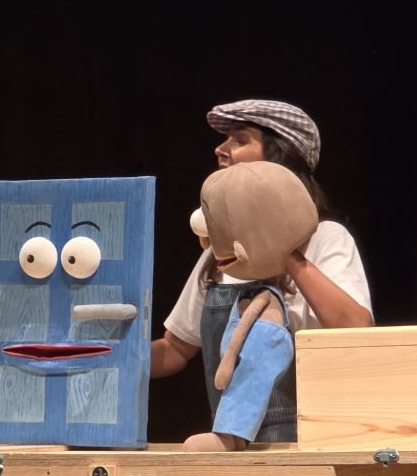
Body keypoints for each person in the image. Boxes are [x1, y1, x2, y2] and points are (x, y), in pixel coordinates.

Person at [151, 99, 373, 445]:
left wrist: (283, 249)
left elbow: (356, 330)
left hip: (311, 443)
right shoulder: (219, 254)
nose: (220, 150)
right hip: (234, 445)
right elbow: (175, 349)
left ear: (278, 163)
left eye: (240, 140)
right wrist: (109, 358)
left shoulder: (326, 239)